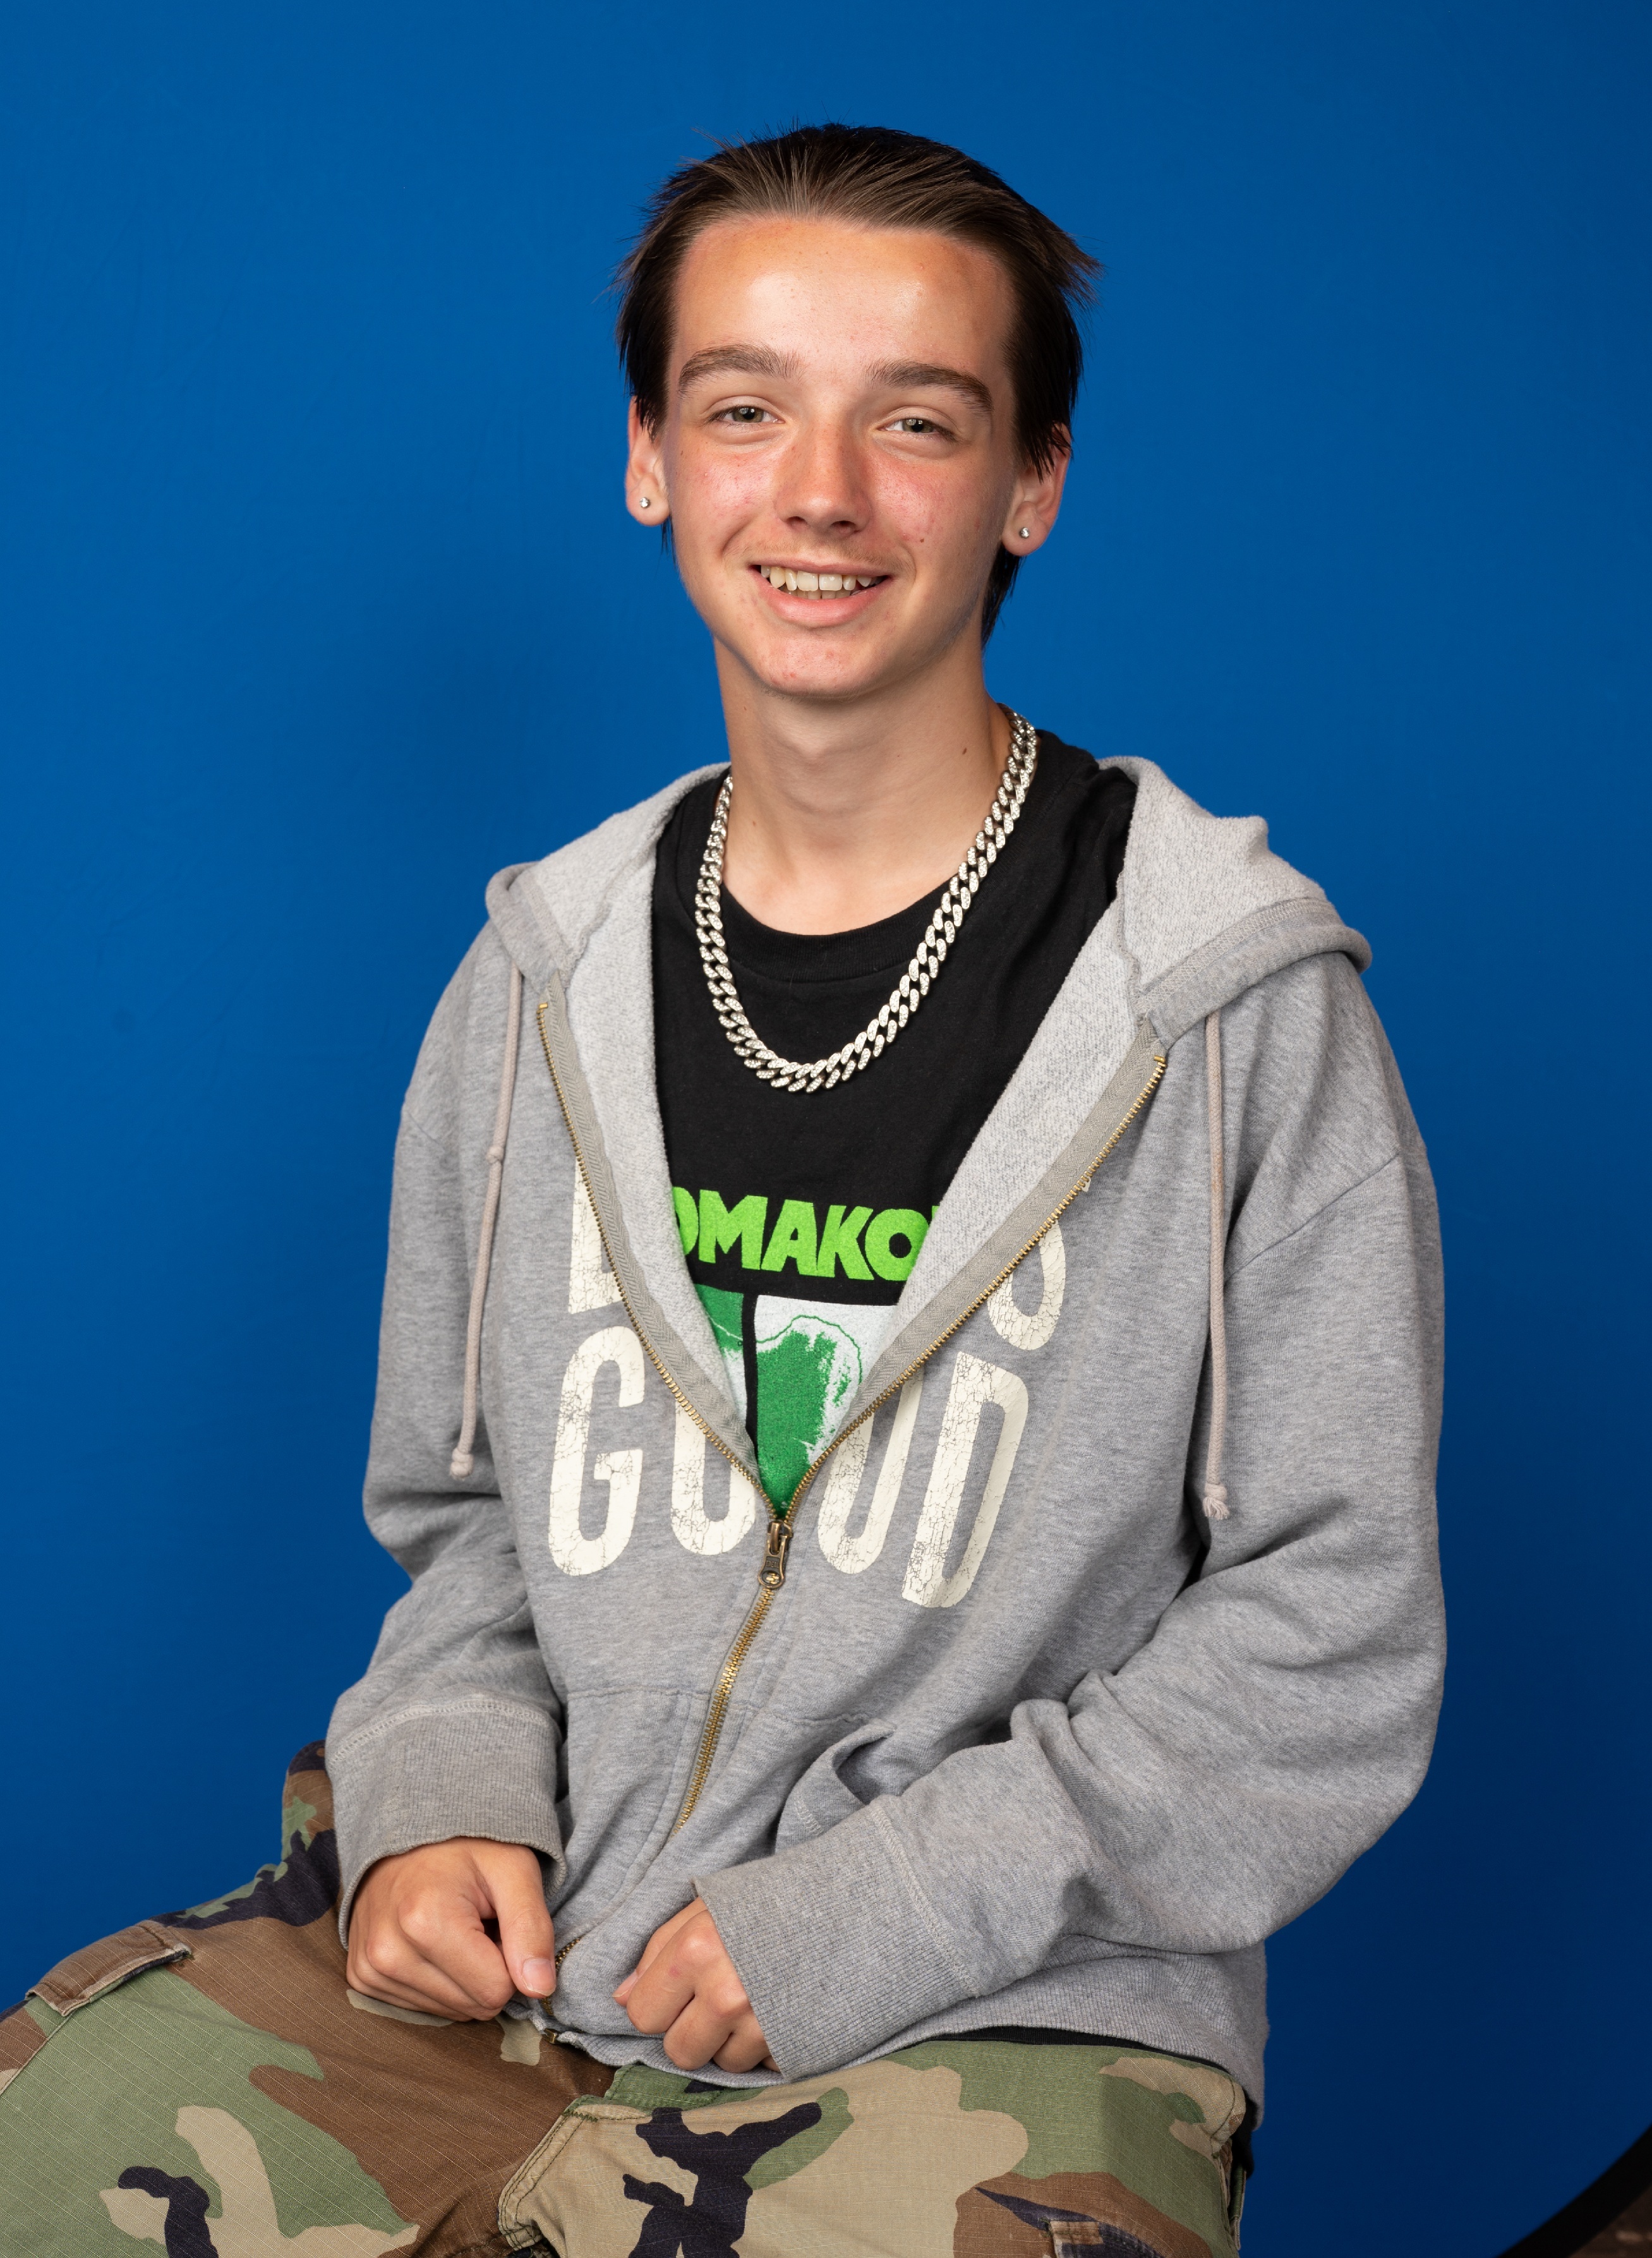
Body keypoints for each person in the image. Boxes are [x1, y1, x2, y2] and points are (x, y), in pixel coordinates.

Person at [0, 124, 1444, 2257]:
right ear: (651, 459)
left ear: (1033, 481)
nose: (821, 491)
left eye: (916, 420)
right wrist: (444, 1787)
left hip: (998, 2001)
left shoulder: (1229, 1003)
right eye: (746, 406)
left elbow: (1332, 1638)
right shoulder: (540, 974)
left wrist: (882, 1904)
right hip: (511, 1959)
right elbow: (469, 1515)